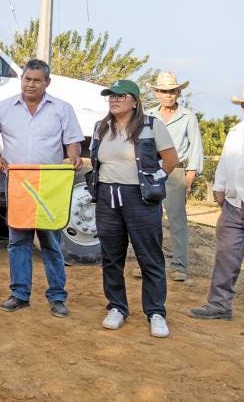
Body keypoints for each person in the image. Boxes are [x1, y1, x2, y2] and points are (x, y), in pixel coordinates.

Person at [0, 59, 83, 318]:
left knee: (51, 241)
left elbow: (73, 142)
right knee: (18, 241)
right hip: (18, 183)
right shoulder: (5, 108)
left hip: (50, 185)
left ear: (47, 83)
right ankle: (19, 295)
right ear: (21, 80)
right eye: (27, 79)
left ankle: (58, 297)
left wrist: (73, 157)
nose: (31, 84)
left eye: (37, 80)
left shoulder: (62, 108)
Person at [91, 79, 178, 338]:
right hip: (108, 195)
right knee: (111, 256)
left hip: (139, 197)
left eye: (120, 95)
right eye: (111, 96)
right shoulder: (101, 127)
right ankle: (117, 307)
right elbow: (98, 161)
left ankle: (155, 312)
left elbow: (171, 160)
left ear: (135, 101)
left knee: (149, 255)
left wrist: (153, 179)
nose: (114, 99)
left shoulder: (152, 126)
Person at [189, 80, 244, 335]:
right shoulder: (235, 131)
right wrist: (219, 187)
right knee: (226, 257)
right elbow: (226, 161)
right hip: (234, 203)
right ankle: (219, 304)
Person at [146, 71, 204, 282]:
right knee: (150, 218)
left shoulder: (187, 116)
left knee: (177, 218)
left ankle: (179, 265)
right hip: (151, 169)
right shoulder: (148, 114)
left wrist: (191, 173)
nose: (168, 95)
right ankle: (151, 264)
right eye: (164, 91)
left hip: (176, 170)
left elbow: (195, 145)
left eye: (172, 91)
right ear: (157, 93)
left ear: (178, 92)